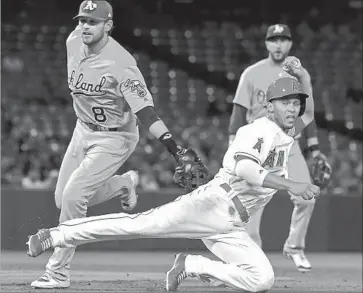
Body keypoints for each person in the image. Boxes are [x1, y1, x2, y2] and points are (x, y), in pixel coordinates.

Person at [27, 71, 320, 292]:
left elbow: (307, 119)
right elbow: (245, 167)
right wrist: (293, 185)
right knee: (137, 225)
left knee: (262, 279)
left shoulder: (285, 137)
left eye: (296, 103)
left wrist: (303, 78)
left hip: (231, 226)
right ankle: (54, 235)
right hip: (213, 204)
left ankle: (191, 265)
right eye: (285, 103)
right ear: (269, 107)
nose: (292, 109)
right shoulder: (260, 130)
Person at [30, 0, 204, 289]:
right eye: (82, 20)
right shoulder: (73, 41)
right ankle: (123, 184)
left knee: (74, 197)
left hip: (115, 137)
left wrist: (175, 149)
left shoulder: (122, 64)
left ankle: (58, 272)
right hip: (81, 130)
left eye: (93, 21)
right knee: (63, 200)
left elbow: (147, 112)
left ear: (108, 26)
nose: (85, 26)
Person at [228, 24, 330, 272]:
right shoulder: (252, 73)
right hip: (257, 147)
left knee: (307, 197)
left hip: (288, 144)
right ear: (266, 44)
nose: (278, 44)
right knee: (250, 210)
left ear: (290, 43)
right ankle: (250, 262)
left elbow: (306, 115)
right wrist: (233, 147)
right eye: (273, 39)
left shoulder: (296, 73)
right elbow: (238, 112)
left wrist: (314, 148)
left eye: (283, 39)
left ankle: (294, 247)